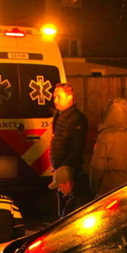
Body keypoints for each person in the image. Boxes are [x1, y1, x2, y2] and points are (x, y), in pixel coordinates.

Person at [49, 83, 89, 217]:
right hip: (60, 171)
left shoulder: (76, 119)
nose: (55, 100)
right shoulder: (60, 116)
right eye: (55, 97)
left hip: (68, 173)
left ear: (69, 97)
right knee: (62, 205)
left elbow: (76, 148)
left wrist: (65, 171)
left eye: (59, 97)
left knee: (70, 209)